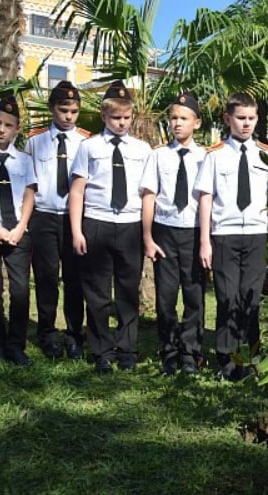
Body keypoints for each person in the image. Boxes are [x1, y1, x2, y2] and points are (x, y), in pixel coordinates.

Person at [69, 80, 152, 374]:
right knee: (98, 293)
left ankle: (127, 350)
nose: (122, 123)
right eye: (116, 118)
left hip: (129, 224)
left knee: (128, 291)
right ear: (104, 116)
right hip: (97, 222)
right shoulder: (88, 147)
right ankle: (102, 350)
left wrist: (146, 234)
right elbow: (77, 190)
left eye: (127, 118)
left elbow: (146, 194)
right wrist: (77, 231)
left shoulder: (143, 150)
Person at [194, 93, 268, 381]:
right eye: (241, 118)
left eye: (251, 118)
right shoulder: (214, 155)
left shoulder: (267, 154)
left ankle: (251, 358)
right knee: (228, 298)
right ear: (228, 119)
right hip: (224, 235)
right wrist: (205, 240)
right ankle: (227, 361)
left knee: (251, 299)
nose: (246, 124)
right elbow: (206, 198)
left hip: (256, 235)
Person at [140, 93, 206, 376]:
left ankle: (190, 353)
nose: (177, 124)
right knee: (166, 297)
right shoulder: (158, 155)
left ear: (197, 123)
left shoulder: (206, 157)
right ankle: (168, 350)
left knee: (194, 296)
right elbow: (149, 196)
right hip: (165, 231)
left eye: (184, 118)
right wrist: (147, 237)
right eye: (173, 118)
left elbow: (208, 199)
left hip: (193, 231)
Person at [25, 81, 89, 360]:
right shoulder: (35, 140)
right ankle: (48, 333)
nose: (68, 116)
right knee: (46, 277)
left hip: (75, 219)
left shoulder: (87, 141)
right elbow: (27, 181)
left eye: (74, 111)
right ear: (52, 108)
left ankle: (75, 334)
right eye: (63, 110)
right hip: (44, 216)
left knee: (75, 279)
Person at [0, 96, 37, 365]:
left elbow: (29, 195)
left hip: (17, 231)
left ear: (17, 129)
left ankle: (16, 345)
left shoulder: (24, 160)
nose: (2, 129)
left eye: (8, 125)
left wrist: (21, 226)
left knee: (21, 289)